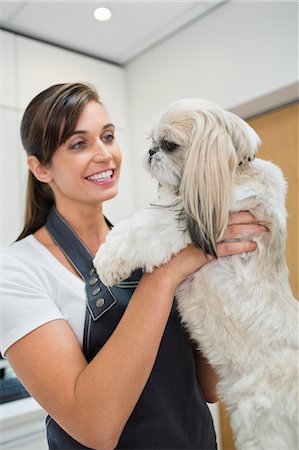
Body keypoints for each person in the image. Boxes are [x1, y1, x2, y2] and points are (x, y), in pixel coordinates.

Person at [0, 83, 267, 450]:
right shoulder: (17, 270)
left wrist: (229, 271)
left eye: (108, 136)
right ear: (40, 168)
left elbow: (210, 386)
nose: (104, 154)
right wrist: (167, 275)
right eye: (79, 144)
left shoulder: (152, 241)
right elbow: (95, 426)